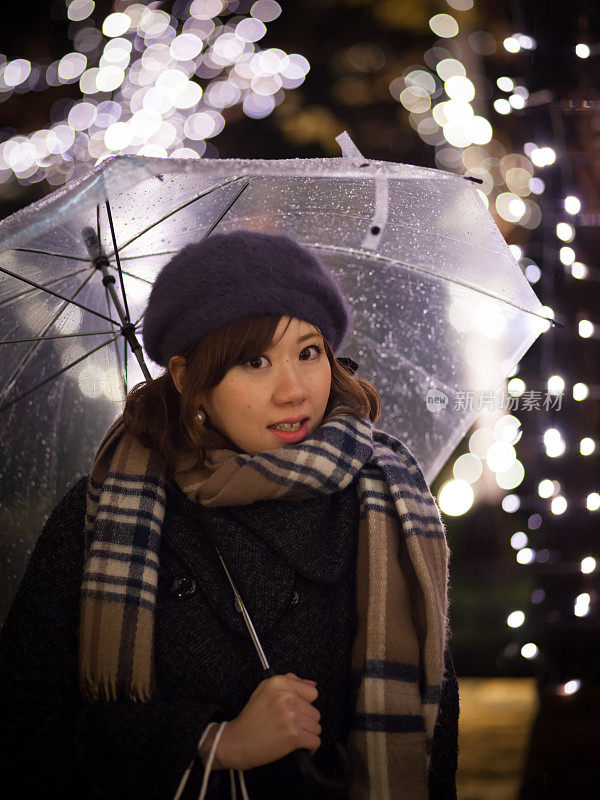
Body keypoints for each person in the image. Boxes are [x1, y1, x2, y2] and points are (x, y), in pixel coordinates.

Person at [0, 230, 459, 800]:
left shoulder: (385, 505)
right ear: (187, 377)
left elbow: (434, 743)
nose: (293, 390)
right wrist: (210, 741)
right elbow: (21, 731)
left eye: (309, 352)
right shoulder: (107, 511)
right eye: (254, 360)